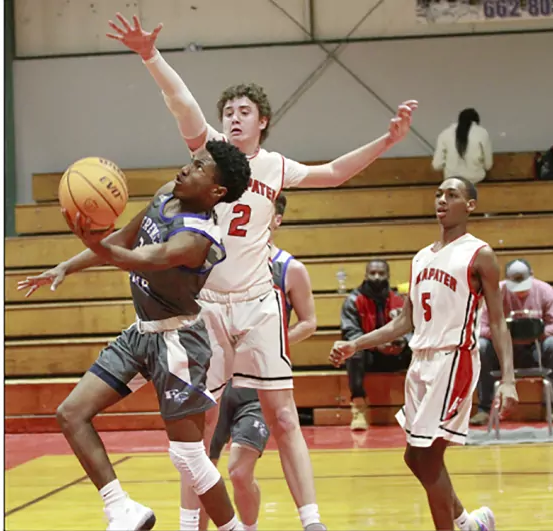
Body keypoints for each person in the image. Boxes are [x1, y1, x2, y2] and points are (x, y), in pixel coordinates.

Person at [106, 12, 418, 530]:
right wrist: (150, 55)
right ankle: (189, 524)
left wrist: (386, 141)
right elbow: (181, 101)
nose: (234, 117)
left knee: (284, 415)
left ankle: (311, 521)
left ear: (262, 121)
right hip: (205, 307)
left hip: (256, 303)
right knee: (198, 425)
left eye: (244, 111)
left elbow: (334, 173)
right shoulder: (208, 152)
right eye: (228, 111)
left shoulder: (275, 166)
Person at [16, 140, 251, 531]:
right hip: (142, 333)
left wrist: (90, 239)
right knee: (71, 414)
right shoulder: (167, 193)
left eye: (199, 167)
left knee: (188, 457)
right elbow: (124, 239)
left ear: (217, 191)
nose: (186, 168)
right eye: (191, 161)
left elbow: (139, 259)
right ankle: (122, 509)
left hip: (179, 343)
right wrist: (66, 266)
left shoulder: (197, 238)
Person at [328, 176, 519, 531]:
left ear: (470, 205)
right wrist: (356, 344)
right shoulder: (420, 258)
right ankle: (469, 524)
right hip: (420, 362)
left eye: (452, 195)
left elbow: (497, 321)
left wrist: (508, 379)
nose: (442, 200)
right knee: (415, 457)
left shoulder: (480, 254)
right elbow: (404, 321)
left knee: (428, 459)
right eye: (438, 194)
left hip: (454, 359)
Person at [195, 193, 318, 531]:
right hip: (221, 381)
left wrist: (266, 344)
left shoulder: (289, 268)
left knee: (238, 471)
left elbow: (309, 322)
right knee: (203, 467)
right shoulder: (220, 264)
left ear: (276, 218)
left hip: (257, 387)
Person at [470, 258, 553, 425]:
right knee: (481, 346)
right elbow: (480, 329)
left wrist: (534, 332)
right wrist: (504, 334)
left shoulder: (545, 291)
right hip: (502, 351)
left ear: (532, 275)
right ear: (506, 279)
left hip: (535, 349)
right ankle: (485, 409)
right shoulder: (495, 293)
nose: (520, 291)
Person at [340, 259, 412, 430]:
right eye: (373, 273)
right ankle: (358, 406)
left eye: (381, 273)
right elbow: (350, 333)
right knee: (353, 352)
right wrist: (375, 345)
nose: (377, 277)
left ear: (388, 275)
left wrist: (403, 341)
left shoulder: (399, 299)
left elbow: (412, 327)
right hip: (369, 356)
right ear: (366, 275)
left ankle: (419, 407)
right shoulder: (353, 300)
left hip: (395, 355)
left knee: (419, 348)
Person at [432, 108, 493, 184]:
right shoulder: (482, 133)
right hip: (476, 180)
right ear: (476, 121)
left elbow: (436, 165)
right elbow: (488, 165)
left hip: (451, 182)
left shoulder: (445, 133)